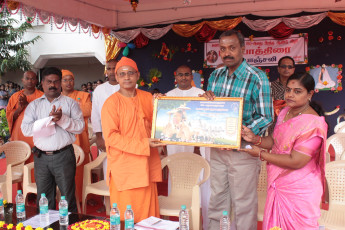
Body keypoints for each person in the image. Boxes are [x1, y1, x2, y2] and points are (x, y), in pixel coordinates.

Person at [202, 30, 273, 230]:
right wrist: (206, 102)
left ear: (242, 49)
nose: (227, 53)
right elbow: (212, 111)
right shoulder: (215, 75)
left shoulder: (257, 77)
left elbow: (266, 116)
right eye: (223, 49)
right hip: (217, 151)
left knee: (243, 204)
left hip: (243, 151)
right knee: (217, 199)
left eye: (232, 48)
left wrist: (237, 135)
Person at [241, 72, 327, 229]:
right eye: (288, 90)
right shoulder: (284, 112)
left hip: (300, 189)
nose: (290, 95)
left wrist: (260, 154)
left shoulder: (313, 124)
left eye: (297, 91)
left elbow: (297, 161)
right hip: (279, 183)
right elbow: (275, 141)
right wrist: (255, 139)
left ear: (310, 94)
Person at [101, 57, 164, 222]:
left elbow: (162, 121)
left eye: (130, 73)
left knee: (148, 217)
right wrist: (144, 143)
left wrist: (165, 105)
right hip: (125, 169)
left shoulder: (148, 97)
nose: (126, 77)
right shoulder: (111, 104)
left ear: (138, 75)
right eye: (122, 74)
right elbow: (111, 138)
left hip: (146, 165)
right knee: (126, 217)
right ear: (116, 77)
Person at [21, 67, 84, 212]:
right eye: (49, 81)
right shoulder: (34, 106)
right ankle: (45, 226)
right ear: (42, 83)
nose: (52, 85)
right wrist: (47, 121)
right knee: (43, 198)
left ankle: (69, 226)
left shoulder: (70, 103)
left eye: (56, 81)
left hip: (64, 156)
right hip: (41, 157)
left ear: (60, 83)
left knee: (67, 197)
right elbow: (25, 129)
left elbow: (80, 127)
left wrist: (62, 119)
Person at [165, 65, 211, 229]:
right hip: (175, 149)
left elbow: (204, 123)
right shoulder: (168, 96)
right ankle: (178, 223)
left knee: (199, 185)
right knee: (177, 181)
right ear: (175, 76)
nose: (183, 78)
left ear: (191, 76)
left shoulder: (201, 94)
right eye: (180, 75)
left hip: (196, 148)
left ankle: (201, 223)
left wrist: (197, 146)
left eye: (186, 75)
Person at [61, 69, 92, 201]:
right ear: (60, 82)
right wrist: (76, 109)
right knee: (63, 170)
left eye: (71, 79)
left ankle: (82, 197)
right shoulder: (56, 97)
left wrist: (64, 112)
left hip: (80, 138)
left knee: (81, 170)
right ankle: (65, 198)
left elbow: (88, 110)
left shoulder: (83, 95)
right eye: (65, 80)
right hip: (62, 139)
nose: (69, 82)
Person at [6, 71, 43, 153]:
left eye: (33, 79)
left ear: (36, 81)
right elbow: (10, 117)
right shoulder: (15, 97)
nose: (30, 81)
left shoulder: (42, 96)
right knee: (19, 161)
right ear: (22, 80)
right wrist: (20, 108)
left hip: (35, 135)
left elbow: (44, 116)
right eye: (27, 78)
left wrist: (27, 104)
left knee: (34, 163)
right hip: (18, 134)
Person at [268, 56, 295, 134]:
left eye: (290, 67)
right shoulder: (270, 86)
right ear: (278, 69)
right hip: (275, 129)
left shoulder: (299, 87)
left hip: (294, 127)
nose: (286, 69)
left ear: (293, 69)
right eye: (283, 66)